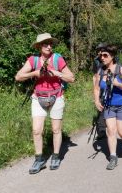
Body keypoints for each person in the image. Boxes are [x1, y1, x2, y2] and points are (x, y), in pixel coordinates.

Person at [15, 33, 75, 174]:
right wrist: (34, 73)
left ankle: (55, 156)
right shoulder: (33, 60)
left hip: (57, 96)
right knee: (36, 130)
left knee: (56, 129)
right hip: (38, 98)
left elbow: (71, 77)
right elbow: (18, 76)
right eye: (45, 44)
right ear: (39, 46)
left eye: (50, 44)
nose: (49, 46)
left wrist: (57, 73)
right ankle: (39, 159)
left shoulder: (57, 59)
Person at [93, 44, 122, 170]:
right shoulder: (100, 71)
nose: (102, 57)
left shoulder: (120, 69)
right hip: (108, 105)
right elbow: (96, 88)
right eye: (101, 55)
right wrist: (96, 100)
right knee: (111, 131)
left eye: (105, 55)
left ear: (112, 56)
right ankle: (113, 157)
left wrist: (117, 83)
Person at [91, 43, 108, 141]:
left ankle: (111, 126)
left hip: (109, 86)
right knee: (100, 107)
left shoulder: (112, 59)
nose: (99, 52)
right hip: (100, 86)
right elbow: (94, 76)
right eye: (98, 50)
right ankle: (101, 131)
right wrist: (95, 87)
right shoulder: (96, 61)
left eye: (101, 50)